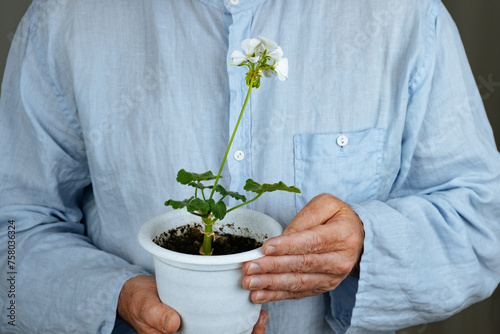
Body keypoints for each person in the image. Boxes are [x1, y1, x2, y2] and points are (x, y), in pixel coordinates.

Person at [1, 0, 499, 333]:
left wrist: (365, 244)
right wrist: (117, 297)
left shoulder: (406, 15)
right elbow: (10, 239)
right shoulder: (65, 17)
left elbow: (484, 224)